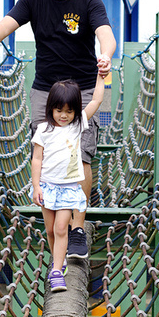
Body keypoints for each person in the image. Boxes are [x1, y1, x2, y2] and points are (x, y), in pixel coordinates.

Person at [0, 0, 116, 260]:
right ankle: (55, 228)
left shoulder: (90, 1)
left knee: (82, 155)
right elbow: (6, 25)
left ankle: (77, 228)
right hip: (45, 92)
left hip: (84, 91)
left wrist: (105, 56)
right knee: (48, 154)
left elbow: (106, 34)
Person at [30, 76, 105, 292]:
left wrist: (101, 77)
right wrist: (36, 186)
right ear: (51, 109)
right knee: (51, 231)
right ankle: (59, 260)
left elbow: (96, 101)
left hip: (68, 188)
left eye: (69, 111)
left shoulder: (77, 125)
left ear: (75, 112)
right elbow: (37, 159)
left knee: (62, 227)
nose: (64, 115)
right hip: (47, 187)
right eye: (59, 110)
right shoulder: (43, 130)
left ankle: (56, 271)